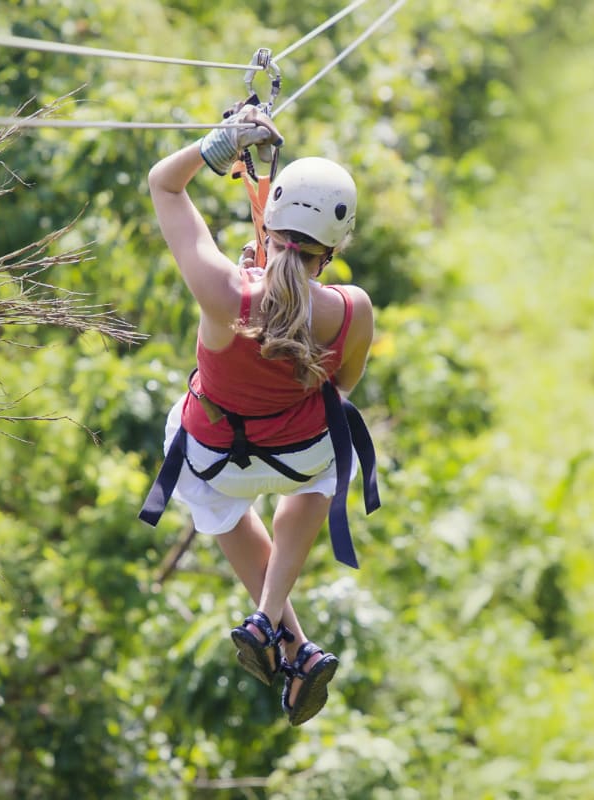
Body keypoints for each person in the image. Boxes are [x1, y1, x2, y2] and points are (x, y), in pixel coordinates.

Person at [139, 105, 377, 726]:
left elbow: (163, 182)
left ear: (267, 223)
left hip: (213, 457)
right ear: (334, 248)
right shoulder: (353, 311)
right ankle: (275, 626)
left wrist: (218, 146)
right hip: (299, 456)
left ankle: (284, 635)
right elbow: (340, 387)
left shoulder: (224, 292)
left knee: (218, 503)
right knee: (332, 455)